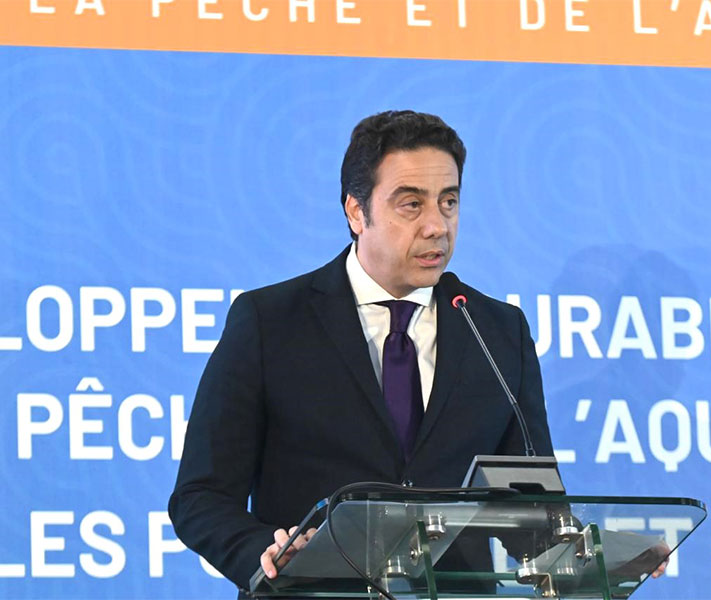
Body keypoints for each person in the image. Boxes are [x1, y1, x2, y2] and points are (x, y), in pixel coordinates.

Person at [168, 110, 555, 594]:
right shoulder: (270, 322)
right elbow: (200, 496)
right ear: (356, 211)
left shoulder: (496, 330)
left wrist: (582, 550)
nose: (437, 226)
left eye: (449, 201)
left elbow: (529, 504)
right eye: (411, 204)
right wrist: (266, 551)